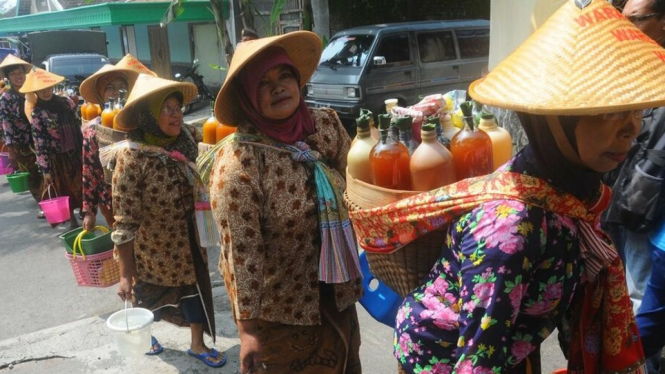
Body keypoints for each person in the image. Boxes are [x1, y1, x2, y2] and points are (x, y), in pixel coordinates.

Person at [349, 0, 664, 372]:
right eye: (609, 112)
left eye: (635, 110)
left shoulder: (570, 196)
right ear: (554, 122)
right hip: (443, 359)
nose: (632, 128)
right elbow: (478, 361)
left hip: (514, 342)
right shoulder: (509, 230)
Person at [205, 31, 363, 374]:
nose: (278, 87)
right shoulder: (239, 163)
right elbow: (241, 252)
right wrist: (247, 331)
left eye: (284, 76)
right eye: (263, 83)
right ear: (248, 97)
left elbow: (353, 181)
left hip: (336, 293)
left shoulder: (325, 125)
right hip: (283, 312)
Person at [110, 74, 225, 367]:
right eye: (166, 108)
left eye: (177, 106)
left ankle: (197, 344)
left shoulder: (185, 137)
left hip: (190, 238)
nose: (176, 114)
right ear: (148, 115)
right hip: (154, 249)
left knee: (196, 289)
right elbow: (123, 221)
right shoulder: (132, 158)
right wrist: (124, 274)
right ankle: (146, 336)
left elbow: (214, 146)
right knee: (147, 296)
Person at [609, 1, 665, 372]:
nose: (623, 26)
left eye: (634, 19)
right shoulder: (633, 65)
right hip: (623, 202)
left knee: (640, 298)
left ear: (662, 23)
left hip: (647, 212)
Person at [78, 54, 156, 232]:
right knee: (124, 244)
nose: (116, 92)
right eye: (110, 88)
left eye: (122, 87)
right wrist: (89, 211)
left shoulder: (141, 122)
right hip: (111, 199)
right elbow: (89, 171)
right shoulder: (93, 131)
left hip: (145, 195)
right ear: (101, 95)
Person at [19, 68, 82, 229]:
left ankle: (85, 211)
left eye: (48, 87)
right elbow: (39, 143)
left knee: (81, 185)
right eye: (41, 90)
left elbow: (78, 123)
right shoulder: (38, 114)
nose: (46, 92)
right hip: (57, 158)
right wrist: (45, 169)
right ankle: (72, 221)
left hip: (75, 151)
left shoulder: (67, 102)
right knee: (64, 189)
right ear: (35, 92)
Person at [0, 55, 43, 215]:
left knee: (47, 172)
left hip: (40, 139)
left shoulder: (33, 92)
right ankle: (43, 204)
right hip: (21, 143)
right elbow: (6, 125)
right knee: (33, 175)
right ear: (8, 78)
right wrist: (11, 149)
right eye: (13, 74)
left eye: (20, 72)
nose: (18, 76)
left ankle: (51, 200)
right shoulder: (6, 98)